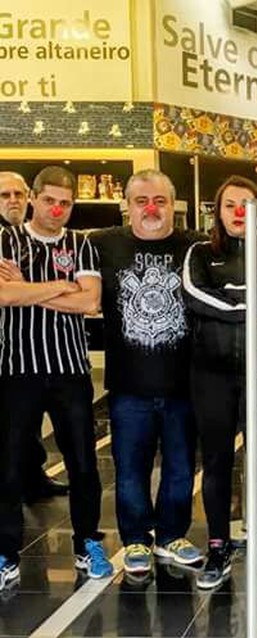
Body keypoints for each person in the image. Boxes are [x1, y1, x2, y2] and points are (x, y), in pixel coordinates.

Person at [0, 166, 113, 590]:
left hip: (70, 371)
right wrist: (60, 287)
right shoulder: (6, 240)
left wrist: (30, 288)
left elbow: (90, 301)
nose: (58, 209)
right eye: (50, 200)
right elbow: (3, 294)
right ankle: (6, 553)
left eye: (66, 203)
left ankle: (87, 544)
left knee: (84, 462)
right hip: (17, 370)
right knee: (9, 466)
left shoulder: (80, 244)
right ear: (32, 198)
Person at [181, 176, 257, 589]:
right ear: (219, 210)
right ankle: (218, 547)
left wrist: (231, 298)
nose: (237, 213)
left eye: (246, 206)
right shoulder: (198, 253)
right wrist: (251, 301)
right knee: (216, 463)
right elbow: (196, 297)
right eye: (230, 205)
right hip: (211, 374)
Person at [90, 170, 204, 576]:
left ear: (173, 204)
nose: (151, 209)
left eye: (159, 201)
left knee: (179, 468)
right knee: (130, 469)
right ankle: (136, 539)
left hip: (183, 384)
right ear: (127, 205)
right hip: (128, 387)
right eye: (141, 201)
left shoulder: (197, 245)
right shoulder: (101, 244)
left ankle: (173, 534)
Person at [0, 171, 69, 502]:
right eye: (4, 195)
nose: (12, 200)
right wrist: (50, 288)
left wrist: (25, 285)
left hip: (35, 351)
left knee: (23, 425)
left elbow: (83, 297)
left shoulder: (35, 239)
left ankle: (33, 477)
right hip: (8, 347)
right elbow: (6, 294)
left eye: (18, 193)